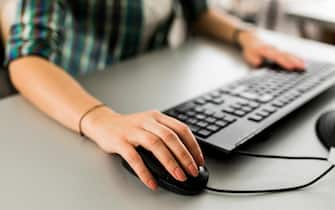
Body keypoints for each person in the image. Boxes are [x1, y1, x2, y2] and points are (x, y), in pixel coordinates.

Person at [1, 0, 304, 191]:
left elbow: (199, 12)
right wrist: (101, 119)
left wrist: (245, 36)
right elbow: (27, 58)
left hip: (156, 98)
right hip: (78, 105)